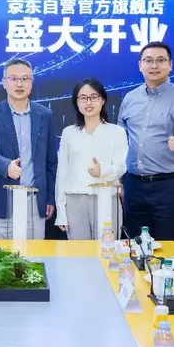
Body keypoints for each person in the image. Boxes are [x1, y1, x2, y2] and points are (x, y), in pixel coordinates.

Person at [118, 41, 174, 241]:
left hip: (168, 188)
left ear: (170, 65)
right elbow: (119, 141)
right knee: (135, 247)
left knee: (169, 246)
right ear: (140, 65)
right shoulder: (129, 99)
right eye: (148, 60)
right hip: (133, 186)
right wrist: (119, 182)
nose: (154, 65)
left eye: (160, 60)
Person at [0, 59, 57, 240]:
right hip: (1, 200)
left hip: (34, 200)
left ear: (32, 82)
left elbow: (51, 161)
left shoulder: (45, 115)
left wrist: (50, 198)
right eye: (13, 78)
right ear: (4, 82)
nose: (19, 84)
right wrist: (6, 166)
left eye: (25, 78)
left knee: (33, 254)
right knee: (0, 255)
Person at [54, 78, 127, 240]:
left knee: (107, 250)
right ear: (77, 102)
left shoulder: (117, 132)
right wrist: (61, 211)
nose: (88, 102)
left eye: (94, 97)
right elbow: (62, 173)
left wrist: (103, 171)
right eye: (83, 98)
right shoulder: (68, 133)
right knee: (79, 252)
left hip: (107, 198)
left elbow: (121, 166)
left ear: (103, 100)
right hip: (75, 200)